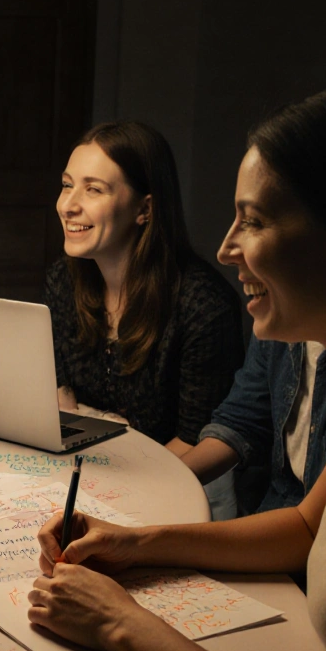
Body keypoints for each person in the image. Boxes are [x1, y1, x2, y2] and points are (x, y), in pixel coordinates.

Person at [29, 80, 326, 651]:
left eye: (252, 221)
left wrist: (122, 625)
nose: (227, 249)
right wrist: (134, 542)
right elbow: (304, 527)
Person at [46, 121, 244, 449]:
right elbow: (61, 398)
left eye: (93, 189)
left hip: (178, 479)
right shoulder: (63, 280)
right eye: (67, 185)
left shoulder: (203, 305)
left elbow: (197, 439)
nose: (68, 205)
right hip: (87, 465)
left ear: (145, 208)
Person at [177, 335, 326, 517]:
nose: (250, 306)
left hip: (325, 530)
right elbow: (243, 420)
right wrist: (166, 481)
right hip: (277, 510)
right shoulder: (278, 328)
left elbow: (308, 524)